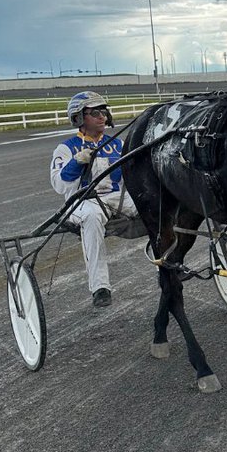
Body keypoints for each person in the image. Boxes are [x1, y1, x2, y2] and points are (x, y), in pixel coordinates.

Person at [50, 91, 139, 306]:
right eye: (95, 113)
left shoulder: (118, 144)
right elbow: (59, 184)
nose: (102, 117)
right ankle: (100, 287)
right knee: (91, 217)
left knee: (153, 204)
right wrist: (76, 162)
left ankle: (165, 265)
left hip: (116, 199)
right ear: (79, 118)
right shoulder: (66, 148)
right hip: (82, 202)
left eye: (104, 112)